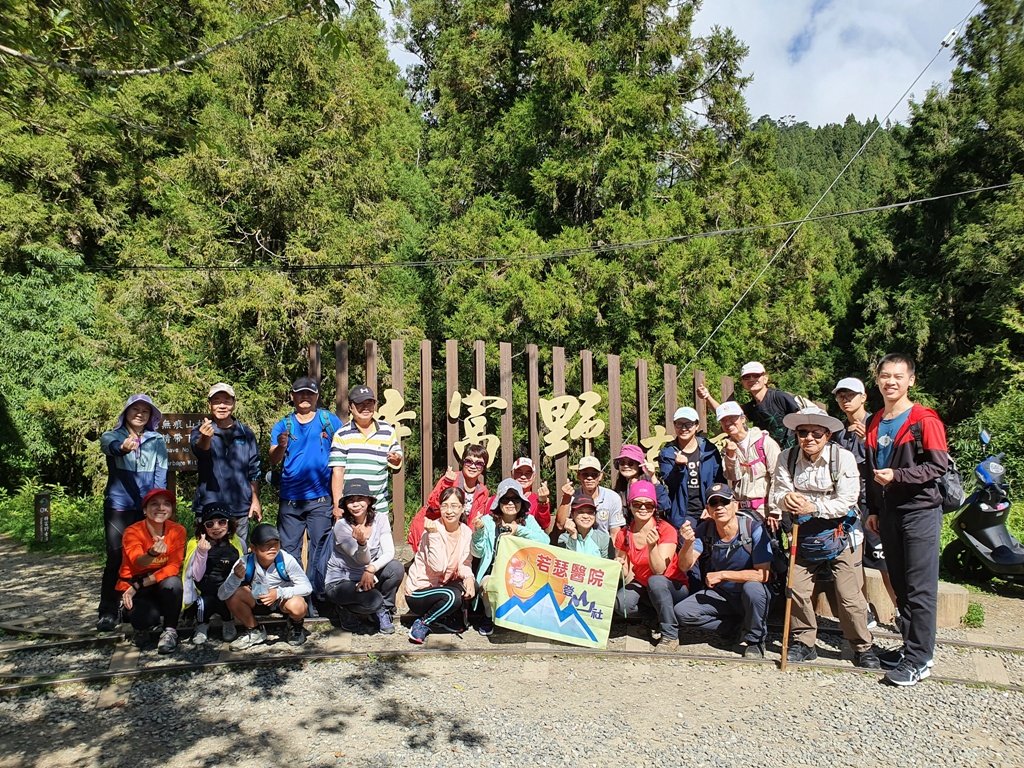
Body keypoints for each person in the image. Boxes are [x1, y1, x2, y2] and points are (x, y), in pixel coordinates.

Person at [864, 353, 950, 686]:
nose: (891, 382)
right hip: (888, 512)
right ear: (878, 380)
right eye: (885, 376)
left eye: (898, 376)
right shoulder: (875, 421)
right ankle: (909, 648)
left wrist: (898, 476)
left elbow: (937, 466)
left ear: (910, 380)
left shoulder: (924, 419)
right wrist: (873, 509)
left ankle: (920, 659)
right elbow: (870, 471)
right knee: (900, 585)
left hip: (920, 512)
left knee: (920, 588)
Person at [770, 406, 880, 669]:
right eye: (802, 432)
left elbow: (848, 500)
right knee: (795, 589)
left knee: (849, 594)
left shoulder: (842, 459)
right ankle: (803, 642)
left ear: (827, 435)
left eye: (816, 434)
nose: (809, 438)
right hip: (803, 531)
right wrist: (787, 499)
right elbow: (777, 494)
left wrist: (814, 507)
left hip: (841, 532)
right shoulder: (787, 458)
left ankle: (862, 646)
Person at [97, 394, 169, 632]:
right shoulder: (113, 436)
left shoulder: (156, 440)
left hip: (146, 510)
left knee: (145, 559)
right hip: (119, 506)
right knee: (117, 556)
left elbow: (161, 474)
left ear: (151, 417)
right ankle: (108, 610)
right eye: (135, 409)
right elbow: (111, 448)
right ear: (126, 412)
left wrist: (159, 507)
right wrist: (124, 447)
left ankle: (137, 609)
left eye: (145, 411)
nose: (140, 414)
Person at [675, 484, 771, 658]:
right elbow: (684, 566)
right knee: (682, 612)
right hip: (722, 595)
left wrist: (723, 574)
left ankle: (755, 641)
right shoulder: (705, 530)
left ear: (735, 505)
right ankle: (734, 627)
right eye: (714, 503)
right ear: (708, 509)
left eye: (725, 502)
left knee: (753, 589)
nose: (720, 507)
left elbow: (763, 574)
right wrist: (687, 543)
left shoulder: (753, 529)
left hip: (748, 594)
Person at [832, 376, 898, 620]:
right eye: (841, 395)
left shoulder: (879, 424)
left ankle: (902, 612)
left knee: (885, 563)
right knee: (850, 561)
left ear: (863, 397)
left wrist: (867, 440)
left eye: (850, 394)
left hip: (873, 505)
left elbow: (891, 462)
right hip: (847, 506)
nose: (845, 399)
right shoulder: (839, 432)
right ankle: (863, 611)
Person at [269, 377, 343, 593]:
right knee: (290, 549)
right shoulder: (284, 425)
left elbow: (341, 453)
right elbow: (273, 459)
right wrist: (281, 446)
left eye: (309, 393)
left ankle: (317, 592)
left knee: (319, 548)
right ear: (292, 396)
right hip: (290, 499)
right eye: (300, 393)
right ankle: (297, 592)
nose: (305, 397)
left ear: (317, 397)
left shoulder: (328, 421)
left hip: (321, 498)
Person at [613, 480, 691, 652]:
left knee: (656, 581)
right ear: (630, 505)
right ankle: (653, 618)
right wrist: (618, 566)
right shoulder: (624, 534)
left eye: (648, 504)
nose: (643, 508)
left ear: (655, 507)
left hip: (672, 585)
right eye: (637, 503)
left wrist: (652, 546)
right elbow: (625, 573)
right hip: (644, 584)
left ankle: (670, 635)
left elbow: (659, 570)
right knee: (622, 603)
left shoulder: (665, 529)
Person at [324, 478, 404, 635]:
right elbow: (362, 559)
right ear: (345, 504)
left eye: (360, 499)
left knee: (396, 568)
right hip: (342, 581)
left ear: (369, 500)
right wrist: (361, 543)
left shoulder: (380, 519)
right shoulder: (341, 526)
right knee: (374, 600)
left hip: (367, 574)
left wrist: (371, 569)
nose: (355, 504)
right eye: (351, 500)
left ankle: (384, 610)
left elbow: (389, 552)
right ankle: (345, 609)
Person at [471, 478, 550, 634]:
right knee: (487, 585)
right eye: (505, 499)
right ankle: (489, 617)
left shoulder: (528, 521)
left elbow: (545, 542)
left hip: (523, 573)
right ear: (498, 502)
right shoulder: (487, 521)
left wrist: (519, 529)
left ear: (522, 502)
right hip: (493, 573)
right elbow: (477, 552)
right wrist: (479, 531)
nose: (510, 503)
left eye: (515, 499)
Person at [191, 382, 262, 548]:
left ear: (234, 404)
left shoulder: (246, 433)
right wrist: (206, 437)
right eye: (216, 401)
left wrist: (255, 500)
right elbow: (201, 452)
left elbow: (254, 469)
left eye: (226, 401)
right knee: (205, 556)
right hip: (208, 507)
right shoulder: (201, 430)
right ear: (210, 405)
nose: (222, 405)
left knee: (239, 553)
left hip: (240, 507)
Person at [218, 523, 312, 649]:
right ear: (253, 548)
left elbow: (307, 587)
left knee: (298, 605)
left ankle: (295, 626)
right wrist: (235, 578)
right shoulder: (244, 562)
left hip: (281, 601)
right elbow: (222, 594)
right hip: (256, 600)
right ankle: (254, 630)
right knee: (234, 595)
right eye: (266, 545)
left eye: (275, 544)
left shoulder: (286, 560)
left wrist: (278, 593)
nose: (272, 548)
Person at [116, 488, 186, 653]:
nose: (161, 508)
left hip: (151, 583)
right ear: (144, 510)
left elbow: (174, 566)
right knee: (145, 618)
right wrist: (152, 553)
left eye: (166, 504)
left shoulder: (177, 530)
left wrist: (139, 585)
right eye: (154, 504)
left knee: (174, 583)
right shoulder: (132, 531)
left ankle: (170, 632)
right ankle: (141, 627)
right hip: (134, 582)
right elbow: (138, 562)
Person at [405, 487, 475, 645]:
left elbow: (465, 563)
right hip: (419, 592)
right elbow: (438, 568)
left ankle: (444, 617)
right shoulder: (432, 530)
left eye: (455, 506)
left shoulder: (466, 531)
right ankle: (423, 623)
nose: (449, 511)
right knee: (452, 596)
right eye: (445, 506)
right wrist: (434, 535)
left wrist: (469, 578)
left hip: (442, 587)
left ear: (462, 508)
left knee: (472, 585)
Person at [328, 385, 403, 521]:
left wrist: (396, 458)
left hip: (378, 506)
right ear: (351, 407)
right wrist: (337, 504)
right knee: (350, 542)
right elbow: (337, 471)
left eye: (369, 403)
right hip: (352, 507)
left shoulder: (387, 430)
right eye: (360, 404)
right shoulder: (342, 434)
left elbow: (397, 455)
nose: (366, 408)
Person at [407, 444, 492, 551]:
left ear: (483, 467)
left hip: (456, 535)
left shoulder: (482, 491)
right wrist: (447, 483)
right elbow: (433, 506)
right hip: (433, 529)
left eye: (479, 463)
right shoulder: (451, 478)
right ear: (462, 462)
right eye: (469, 461)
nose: (473, 466)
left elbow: (473, 522)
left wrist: (467, 543)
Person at [698, 361, 800, 448]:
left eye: (756, 375)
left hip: (790, 455)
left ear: (765, 378)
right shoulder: (752, 407)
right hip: (766, 456)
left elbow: (801, 420)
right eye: (747, 377)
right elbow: (724, 414)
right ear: (742, 382)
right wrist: (707, 397)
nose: (751, 379)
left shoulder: (779, 397)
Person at [182, 503, 244, 645]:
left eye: (222, 522)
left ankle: (228, 622)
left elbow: (242, 565)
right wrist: (202, 553)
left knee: (226, 600)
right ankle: (202, 625)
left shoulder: (235, 543)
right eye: (210, 524)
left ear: (229, 524)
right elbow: (195, 575)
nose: (216, 527)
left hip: (227, 587)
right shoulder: (196, 543)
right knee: (205, 602)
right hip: (205, 587)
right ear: (203, 527)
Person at [717, 401, 782, 531]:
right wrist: (731, 455)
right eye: (723, 420)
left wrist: (775, 510)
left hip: (764, 510)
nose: (728, 423)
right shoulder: (727, 447)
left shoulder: (765, 443)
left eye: (732, 418)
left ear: (743, 418)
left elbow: (778, 476)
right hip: (740, 510)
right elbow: (733, 476)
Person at [657, 406, 725, 529]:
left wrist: (711, 507)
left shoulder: (709, 450)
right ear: (674, 425)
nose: (684, 428)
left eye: (688, 424)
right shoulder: (667, 453)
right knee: (688, 543)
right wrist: (679, 467)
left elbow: (719, 482)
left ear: (696, 425)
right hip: (682, 513)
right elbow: (671, 484)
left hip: (708, 509)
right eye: (679, 424)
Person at [554, 456, 625, 539]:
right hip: (577, 544)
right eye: (585, 474)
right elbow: (560, 525)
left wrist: (611, 551)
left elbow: (615, 533)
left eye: (594, 474)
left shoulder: (612, 498)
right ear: (578, 475)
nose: (589, 478)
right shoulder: (571, 496)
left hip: (604, 547)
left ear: (600, 476)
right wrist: (566, 499)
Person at [557, 495, 613, 559]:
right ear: (572, 514)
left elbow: (608, 564)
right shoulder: (564, 538)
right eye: (581, 512)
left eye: (590, 512)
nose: (586, 516)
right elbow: (567, 562)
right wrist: (572, 536)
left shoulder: (604, 538)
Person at [511, 457, 552, 531]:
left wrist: (543, 503)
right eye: (519, 472)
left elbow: (543, 524)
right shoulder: (501, 498)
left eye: (528, 473)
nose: (523, 476)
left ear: (534, 477)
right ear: (512, 474)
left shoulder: (538, 501)